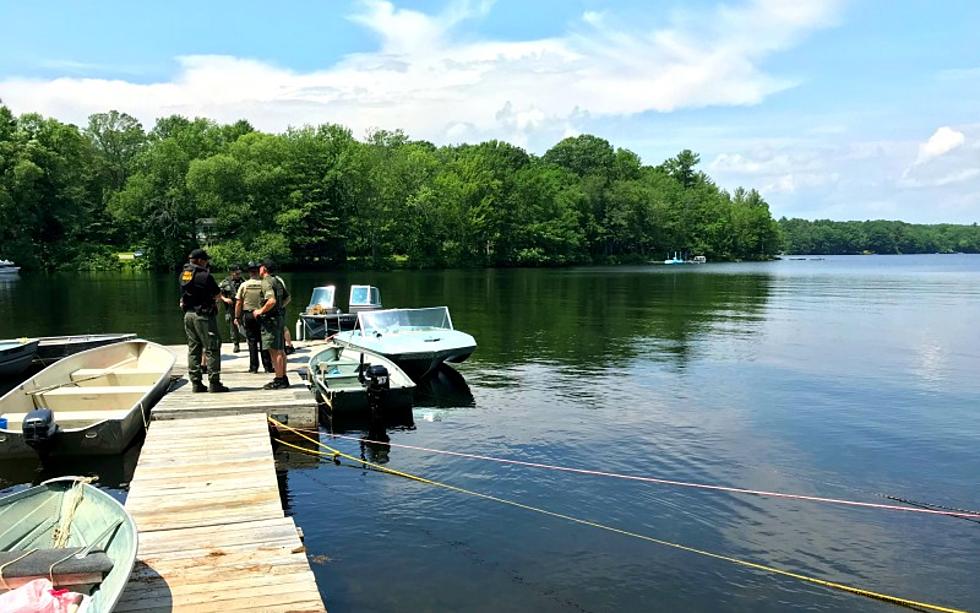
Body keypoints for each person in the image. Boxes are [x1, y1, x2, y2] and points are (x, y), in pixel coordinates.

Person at [179, 249, 229, 393]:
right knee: (212, 348)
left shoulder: (184, 274)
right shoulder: (204, 276)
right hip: (203, 316)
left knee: (194, 349)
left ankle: (196, 383)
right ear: (200, 260)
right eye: (205, 260)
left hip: (188, 315)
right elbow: (217, 294)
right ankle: (214, 383)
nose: (207, 262)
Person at [254, 260, 289, 389]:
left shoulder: (266, 281)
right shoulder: (277, 280)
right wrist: (279, 308)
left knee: (274, 350)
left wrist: (260, 311)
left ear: (264, 268)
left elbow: (271, 300)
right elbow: (287, 298)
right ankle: (283, 377)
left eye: (260, 267)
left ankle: (279, 379)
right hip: (279, 318)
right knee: (280, 349)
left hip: (270, 320)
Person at [235, 261, 274, 374]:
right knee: (264, 341)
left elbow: (238, 303)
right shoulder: (264, 284)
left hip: (248, 314)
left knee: (251, 341)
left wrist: (237, 317)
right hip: (262, 313)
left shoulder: (244, 285)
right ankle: (267, 367)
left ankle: (253, 368)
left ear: (249, 272)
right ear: (258, 271)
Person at [219, 264, 245, 352]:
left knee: (246, 324)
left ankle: (250, 341)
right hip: (231, 307)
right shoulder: (225, 282)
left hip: (243, 306)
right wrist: (225, 299)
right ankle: (236, 344)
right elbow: (218, 293)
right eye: (236, 273)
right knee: (232, 325)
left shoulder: (243, 281)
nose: (238, 275)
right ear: (231, 273)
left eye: (239, 273)